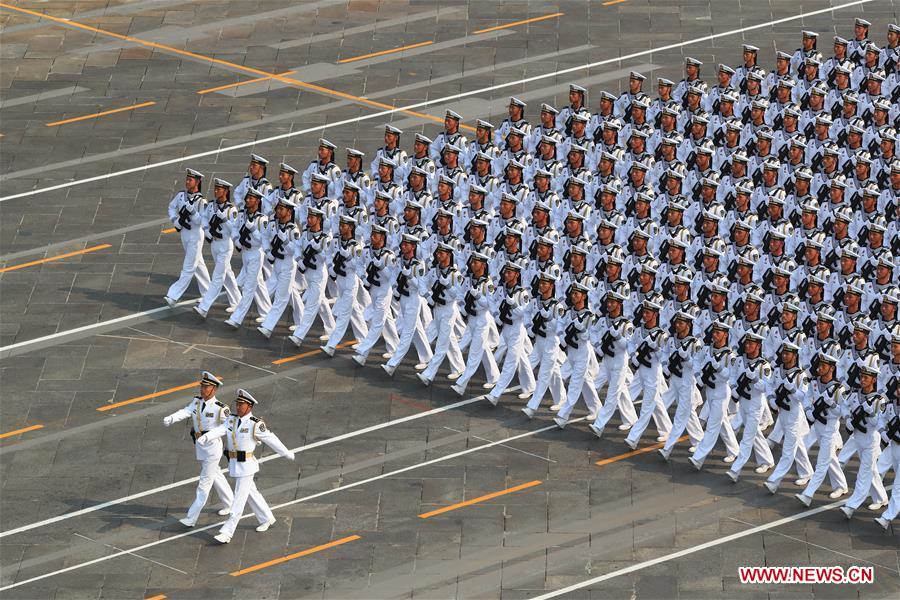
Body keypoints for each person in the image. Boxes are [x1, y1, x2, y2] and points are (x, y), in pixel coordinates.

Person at [196, 389, 295, 544]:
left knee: (238, 500)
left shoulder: (255, 424)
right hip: (235, 464)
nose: (238, 407)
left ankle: (227, 533)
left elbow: (271, 438)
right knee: (251, 493)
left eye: (241, 404)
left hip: (247, 467)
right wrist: (207, 436)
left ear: (249, 406)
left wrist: (286, 453)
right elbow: (220, 429)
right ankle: (267, 518)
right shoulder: (232, 420)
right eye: (237, 404)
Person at [162, 372, 233, 526]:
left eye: (206, 387)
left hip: (212, 448)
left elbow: (229, 427)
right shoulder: (197, 401)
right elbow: (186, 411)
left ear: (214, 389)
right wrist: (172, 418)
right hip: (200, 446)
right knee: (215, 474)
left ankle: (191, 518)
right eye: (202, 386)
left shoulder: (221, 408)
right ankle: (230, 503)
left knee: (204, 484)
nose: (202, 389)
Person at [796, 345, 850, 506]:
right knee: (830, 457)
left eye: (824, 366)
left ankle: (808, 494)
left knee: (822, 462)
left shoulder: (838, 389)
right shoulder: (814, 382)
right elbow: (807, 397)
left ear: (831, 368)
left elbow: (843, 411)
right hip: (817, 424)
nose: (820, 368)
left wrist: (832, 405)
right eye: (819, 365)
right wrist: (808, 410)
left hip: (830, 427)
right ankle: (841, 485)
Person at [839, 355, 888, 518]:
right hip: (858, 437)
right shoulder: (855, 394)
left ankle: (851, 505)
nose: (862, 380)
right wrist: (847, 419)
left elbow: (879, 422)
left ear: (874, 380)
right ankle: (881, 498)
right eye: (861, 377)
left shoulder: (878, 401)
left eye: (866, 378)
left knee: (863, 473)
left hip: (870, 440)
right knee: (871, 470)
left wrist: (870, 413)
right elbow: (844, 406)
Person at [726, 328, 776, 482]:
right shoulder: (740, 360)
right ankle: (767, 460)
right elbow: (732, 375)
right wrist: (733, 388)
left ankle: (735, 470)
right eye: (746, 343)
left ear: (758, 346)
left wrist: (755, 379)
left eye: (751, 344)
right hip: (742, 401)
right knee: (754, 433)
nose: (747, 346)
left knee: (747, 437)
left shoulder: (763, 366)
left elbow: (766, 387)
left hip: (755, 403)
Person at [321, 216, 369, 356]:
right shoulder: (336, 241)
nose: (340, 228)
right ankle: (364, 339)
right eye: (340, 225)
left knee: (343, 314)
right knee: (354, 311)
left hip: (350, 281)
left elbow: (359, 266)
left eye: (344, 226)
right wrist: (330, 266)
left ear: (351, 228)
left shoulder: (355, 247)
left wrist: (348, 257)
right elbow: (328, 253)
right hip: (339, 280)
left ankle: (331, 346)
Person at [225, 188, 271, 328]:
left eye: (251, 198)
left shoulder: (262, 219)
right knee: (258, 283)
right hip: (245, 252)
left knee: (249, 287)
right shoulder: (241, 215)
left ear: (257, 201)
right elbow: (234, 228)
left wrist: (253, 229)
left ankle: (236, 318)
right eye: (247, 198)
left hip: (256, 253)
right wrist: (236, 240)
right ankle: (267, 313)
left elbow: (263, 240)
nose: (247, 200)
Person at [195, 178, 241, 318]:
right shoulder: (210, 205)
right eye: (215, 189)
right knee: (227, 274)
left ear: (226, 191)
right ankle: (238, 302)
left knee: (218, 276)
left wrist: (224, 219)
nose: (215, 191)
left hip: (225, 244)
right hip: (214, 244)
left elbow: (234, 229)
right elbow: (204, 218)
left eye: (219, 189)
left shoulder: (231, 210)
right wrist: (207, 230)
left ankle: (204, 307)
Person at [165, 168, 211, 306]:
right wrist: (175, 220)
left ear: (197, 182)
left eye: (190, 180)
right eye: (187, 179)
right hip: (184, 232)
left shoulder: (201, 201)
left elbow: (201, 221)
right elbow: (171, 207)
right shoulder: (181, 195)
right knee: (198, 264)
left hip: (195, 234)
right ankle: (208, 294)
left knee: (189, 266)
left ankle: (173, 295)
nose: (187, 182)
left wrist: (192, 212)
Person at [257, 198, 301, 338]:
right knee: (290, 292)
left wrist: (285, 240)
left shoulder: (293, 230)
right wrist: (267, 251)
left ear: (289, 212)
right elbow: (264, 237)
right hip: (276, 262)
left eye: (281, 209)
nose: (278, 211)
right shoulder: (272, 224)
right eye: (277, 208)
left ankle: (268, 326)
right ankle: (301, 320)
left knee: (281, 297)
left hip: (288, 264)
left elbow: (295, 250)